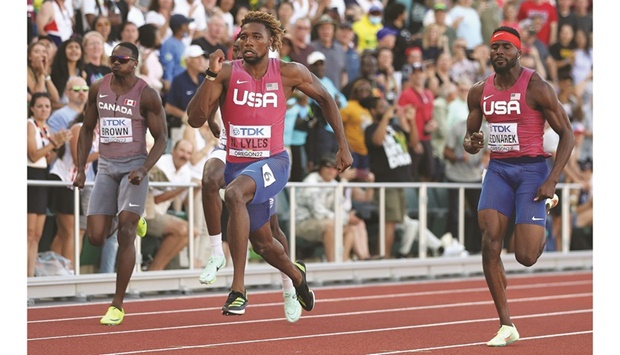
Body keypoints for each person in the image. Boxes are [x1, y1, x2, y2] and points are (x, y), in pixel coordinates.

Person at [187, 11, 353, 316]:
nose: (248, 42)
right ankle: (297, 276)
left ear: (271, 41)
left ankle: (238, 289)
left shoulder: (291, 72)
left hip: (273, 161)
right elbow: (195, 118)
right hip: (237, 161)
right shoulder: (225, 72)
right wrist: (210, 76)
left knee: (234, 193)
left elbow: (327, 99)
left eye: (256, 37)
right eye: (244, 36)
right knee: (264, 243)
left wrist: (344, 145)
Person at [462, 26, 575, 347]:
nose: (498, 53)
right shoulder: (479, 91)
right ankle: (506, 324)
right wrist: (472, 142)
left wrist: (552, 179)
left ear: (518, 52)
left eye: (505, 48)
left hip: (532, 172)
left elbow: (567, 134)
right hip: (498, 169)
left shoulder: (538, 87)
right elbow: (470, 143)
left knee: (526, 256)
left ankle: (543, 206)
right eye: (494, 47)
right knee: (490, 241)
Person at [189, 36, 303, 323]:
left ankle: (289, 286)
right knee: (210, 178)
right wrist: (214, 120)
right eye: (238, 48)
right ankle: (218, 254)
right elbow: (210, 103)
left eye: (248, 46)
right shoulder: (228, 71)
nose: (242, 51)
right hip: (231, 147)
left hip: (264, 156)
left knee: (270, 234)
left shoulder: (277, 74)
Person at [73, 42, 168, 325]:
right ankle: (129, 215)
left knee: (125, 232)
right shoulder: (97, 88)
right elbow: (87, 128)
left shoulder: (147, 95)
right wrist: (80, 169)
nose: (115, 62)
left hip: (133, 169)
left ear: (134, 63)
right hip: (105, 167)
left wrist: (144, 168)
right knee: (95, 237)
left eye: (122, 59)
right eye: (112, 58)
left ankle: (117, 304)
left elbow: (162, 138)